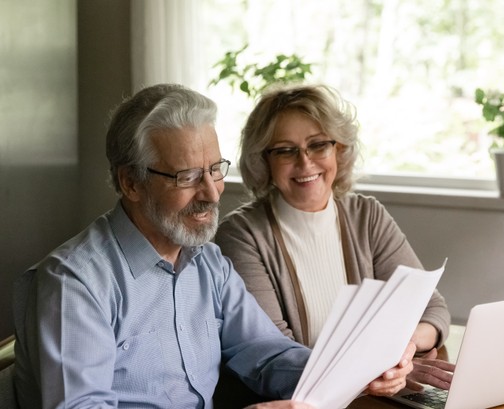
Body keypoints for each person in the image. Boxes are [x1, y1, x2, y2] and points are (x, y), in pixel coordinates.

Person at [11, 84, 412, 409]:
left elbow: (266, 353)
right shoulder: (74, 283)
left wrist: (355, 370)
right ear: (131, 182)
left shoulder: (207, 262)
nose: (211, 193)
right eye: (187, 176)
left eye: (215, 170)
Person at [215, 83, 455, 391]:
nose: (305, 163)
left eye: (318, 145)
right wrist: (375, 367)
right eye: (286, 150)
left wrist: (404, 351)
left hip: (377, 392)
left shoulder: (367, 216)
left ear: (338, 149)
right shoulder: (241, 235)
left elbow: (432, 309)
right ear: (264, 160)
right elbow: (274, 356)